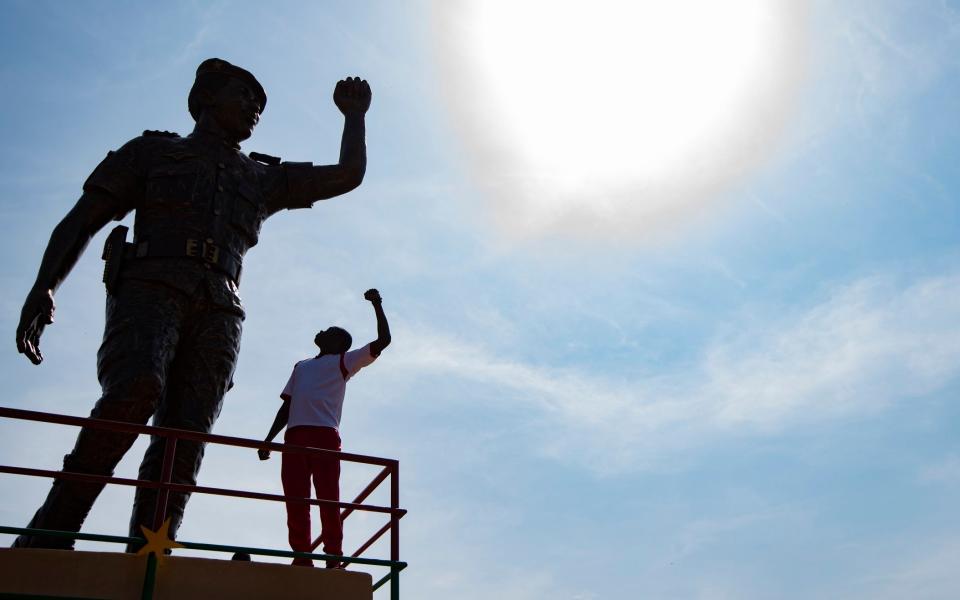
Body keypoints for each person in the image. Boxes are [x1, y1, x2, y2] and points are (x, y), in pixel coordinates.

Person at [13, 58, 372, 551]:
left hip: (220, 306)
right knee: (135, 388)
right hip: (150, 285)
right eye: (243, 95)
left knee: (187, 432)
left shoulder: (259, 177)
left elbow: (348, 175)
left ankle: (150, 551)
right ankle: (52, 531)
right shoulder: (151, 153)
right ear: (205, 99)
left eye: (260, 106)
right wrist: (45, 284)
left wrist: (354, 116)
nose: (253, 109)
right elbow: (82, 219)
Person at [259, 288, 391, 568]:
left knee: (328, 499)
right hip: (294, 436)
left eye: (329, 331)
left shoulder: (344, 361)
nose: (322, 331)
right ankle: (302, 556)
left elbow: (384, 340)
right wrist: (269, 439)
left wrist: (377, 304)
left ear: (338, 343)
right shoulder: (301, 366)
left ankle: (333, 556)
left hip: (324, 435)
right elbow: (287, 407)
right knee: (296, 500)